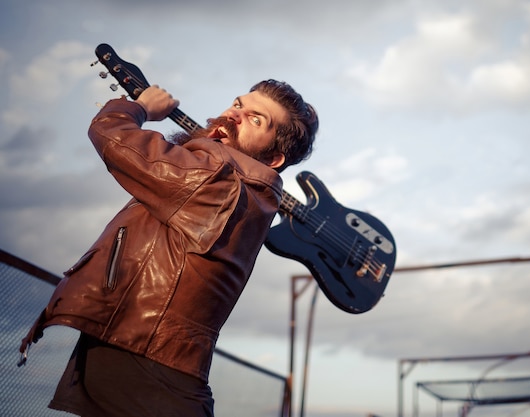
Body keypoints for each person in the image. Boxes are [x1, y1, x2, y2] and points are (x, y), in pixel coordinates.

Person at [19, 79, 318, 417]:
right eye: (237, 104)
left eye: (255, 120)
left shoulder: (218, 182)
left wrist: (141, 106)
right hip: (140, 356)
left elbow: (112, 134)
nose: (234, 115)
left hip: (143, 360)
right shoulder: (246, 193)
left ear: (274, 158)